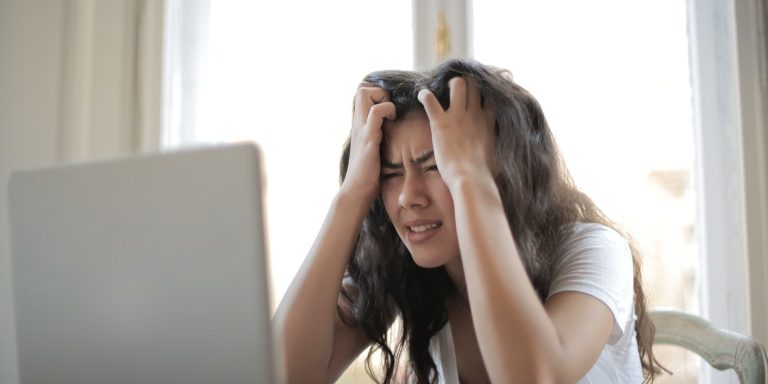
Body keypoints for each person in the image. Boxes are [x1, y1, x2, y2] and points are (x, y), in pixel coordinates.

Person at [274, 59, 664, 383]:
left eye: (436, 166)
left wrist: (468, 178)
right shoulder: (407, 270)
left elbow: (535, 376)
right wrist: (352, 193)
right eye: (390, 173)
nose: (409, 196)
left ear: (502, 171)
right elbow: (282, 376)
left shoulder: (594, 249)